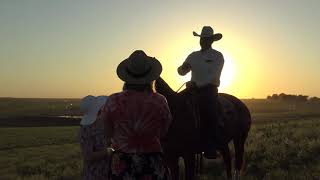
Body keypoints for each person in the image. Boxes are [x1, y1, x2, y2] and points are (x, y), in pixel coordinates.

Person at [99, 50, 172, 180]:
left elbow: (107, 133)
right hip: (152, 161)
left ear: (127, 76)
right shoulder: (160, 100)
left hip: (122, 163)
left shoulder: (113, 100)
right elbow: (164, 131)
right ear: (150, 77)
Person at [177, 26, 224, 159]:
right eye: (202, 38)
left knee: (210, 112)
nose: (203, 41)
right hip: (191, 90)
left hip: (208, 90)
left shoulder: (217, 56)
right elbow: (181, 72)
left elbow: (214, 76)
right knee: (175, 105)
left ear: (211, 40)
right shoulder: (193, 55)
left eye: (206, 39)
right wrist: (182, 69)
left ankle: (210, 146)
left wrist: (196, 84)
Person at [79, 95, 113, 180]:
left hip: (104, 172)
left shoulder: (101, 124)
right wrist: (109, 151)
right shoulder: (86, 130)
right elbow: (88, 156)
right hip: (96, 174)